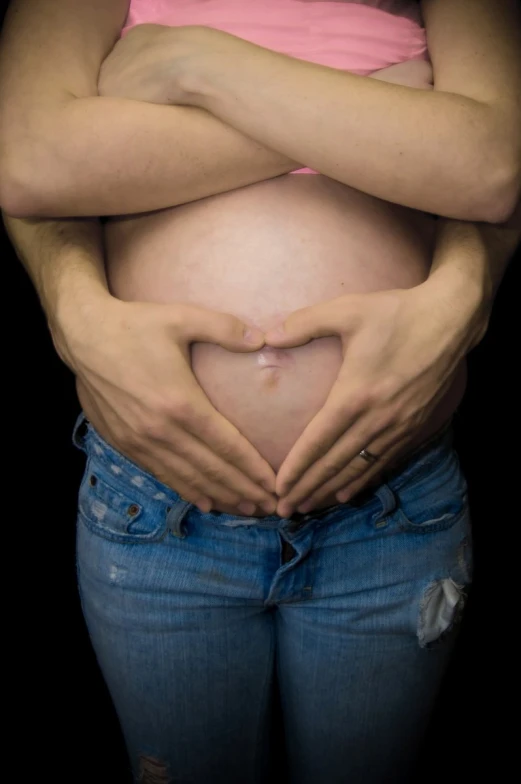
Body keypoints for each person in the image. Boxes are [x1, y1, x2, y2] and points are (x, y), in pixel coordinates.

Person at [1, 1, 519, 782]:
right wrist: (383, 122)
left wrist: (191, 67)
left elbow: (487, 172)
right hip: (161, 512)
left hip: (387, 510)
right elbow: (37, 166)